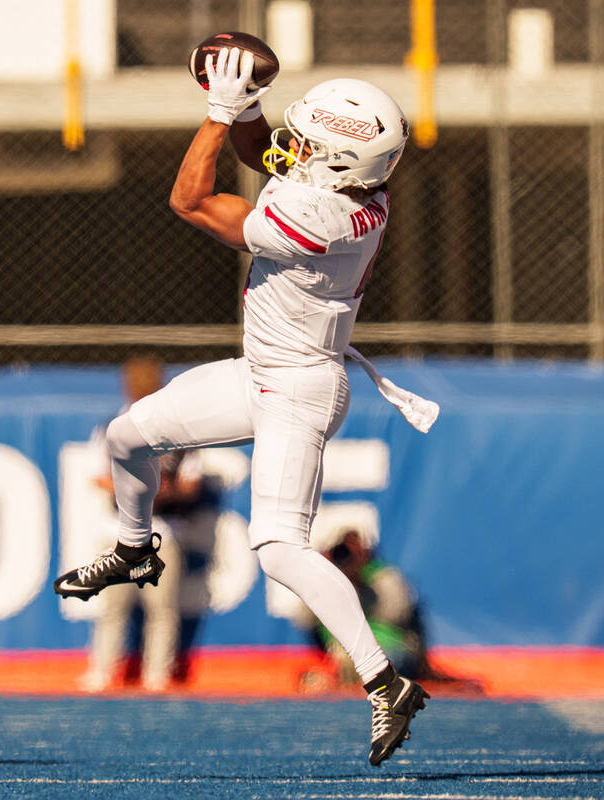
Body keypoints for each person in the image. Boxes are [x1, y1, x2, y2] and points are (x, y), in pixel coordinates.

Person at [53, 49, 438, 766]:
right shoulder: (354, 186)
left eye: (313, 146)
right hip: (263, 369)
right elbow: (272, 153)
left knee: (278, 546)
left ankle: (384, 680)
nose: (296, 151)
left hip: (299, 386)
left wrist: (221, 110)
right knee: (129, 435)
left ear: (340, 166)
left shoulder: (319, 217)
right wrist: (252, 105)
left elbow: (190, 201)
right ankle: (137, 548)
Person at [80, 356, 198, 692]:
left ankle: (157, 673)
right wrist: (139, 487)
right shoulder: (111, 427)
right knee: (113, 608)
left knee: (162, 609)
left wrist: (166, 489)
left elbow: (192, 482)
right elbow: (99, 477)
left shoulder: (178, 432)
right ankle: (102, 670)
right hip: (117, 530)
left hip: (163, 528)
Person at [296, 527, 431, 691]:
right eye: (340, 551)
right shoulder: (325, 581)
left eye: (351, 552)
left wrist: (359, 584)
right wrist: (324, 579)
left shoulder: (384, 578)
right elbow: (305, 622)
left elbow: (396, 619)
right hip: (344, 656)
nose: (345, 558)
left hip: (391, 649)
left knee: (377, 662)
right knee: (317, 677)